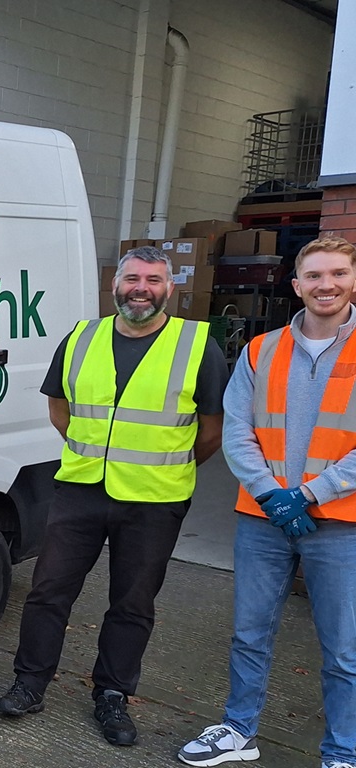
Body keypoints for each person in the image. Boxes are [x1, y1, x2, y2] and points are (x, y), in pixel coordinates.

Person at [0, 245, 228, 746]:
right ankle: (30, 683)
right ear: (115, 284)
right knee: (48, 591)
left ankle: (113, 695)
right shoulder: (82, 337)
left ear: (170, 289)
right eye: (132, 278)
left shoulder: (197, 345)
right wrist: (92, 454)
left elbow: (211, 431)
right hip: (80, 489)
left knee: (133, 602)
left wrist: (166, 468)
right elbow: (60, 409)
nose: (141, 288)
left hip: (155, 499)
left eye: (153, 280)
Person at [179, 236, 356, 768]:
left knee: (344, 651)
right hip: (263, 519)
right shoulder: (262, 349)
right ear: (297, 286)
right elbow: (237, 431)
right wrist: (270, 496)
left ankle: (342, 751)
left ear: (352, 279)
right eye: (315, 276)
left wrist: (304, 496)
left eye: (339, 274)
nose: (327, 285)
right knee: (249, 633)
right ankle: (238, 731)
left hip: (340, 524)